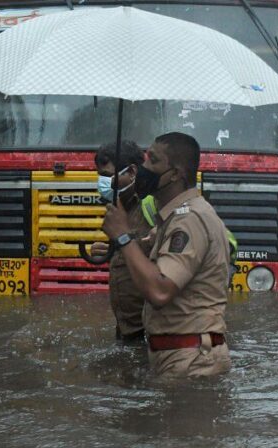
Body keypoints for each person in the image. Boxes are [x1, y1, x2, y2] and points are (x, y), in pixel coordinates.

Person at [102, 132, 232, 377]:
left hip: (191, 362)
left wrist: (123, 236)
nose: (144, 168)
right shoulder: (174, 217)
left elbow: (160, 290)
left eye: (153, 160)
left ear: (175, 174)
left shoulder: (189, 220)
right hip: (180, 357)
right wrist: (123, 243)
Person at [90, 141, 152, 342]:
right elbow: (130, 258)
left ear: (132, 171)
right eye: (100, 176)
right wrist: (110, 251)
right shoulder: (117, 209)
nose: (102, 182)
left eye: (108, 176)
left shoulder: (152, 204)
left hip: (151, 329)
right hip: (127, 327)